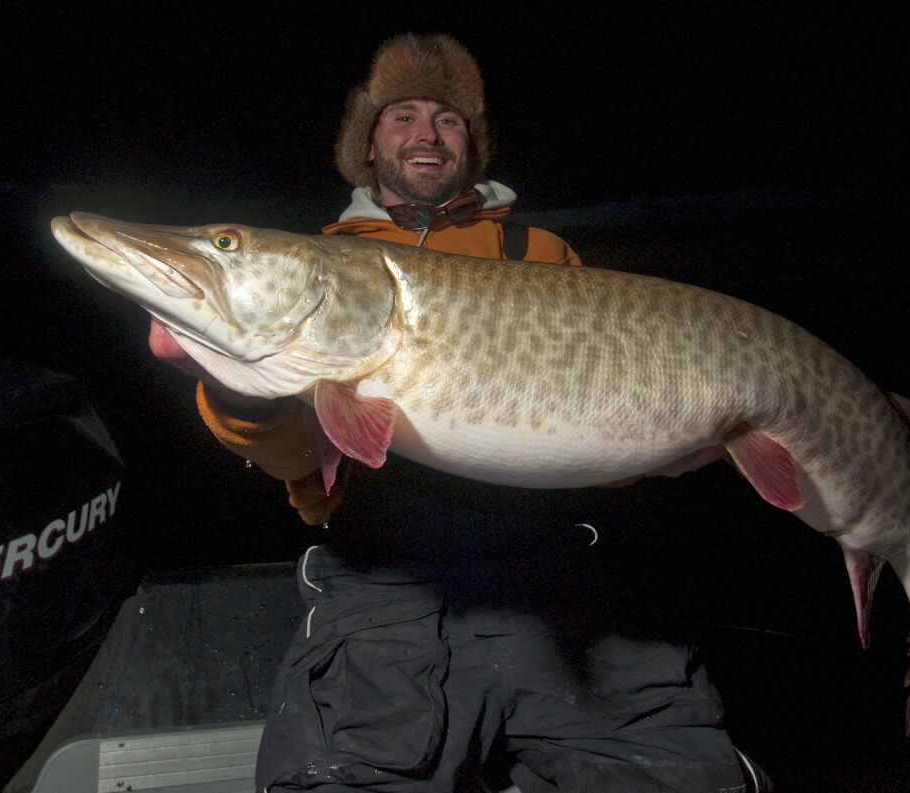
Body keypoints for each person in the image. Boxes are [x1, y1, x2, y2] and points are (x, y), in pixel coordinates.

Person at [152, 33, 771, 792]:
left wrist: (669, 438)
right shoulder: (316, 261)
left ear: (469, 145)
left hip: (561, 576)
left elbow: (589, 426)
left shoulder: (540, 250)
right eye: (402, 116)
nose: (426, 133)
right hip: (391, 586)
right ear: (369, 144)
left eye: (448, 120)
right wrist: (245, 395)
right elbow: (296, 461)